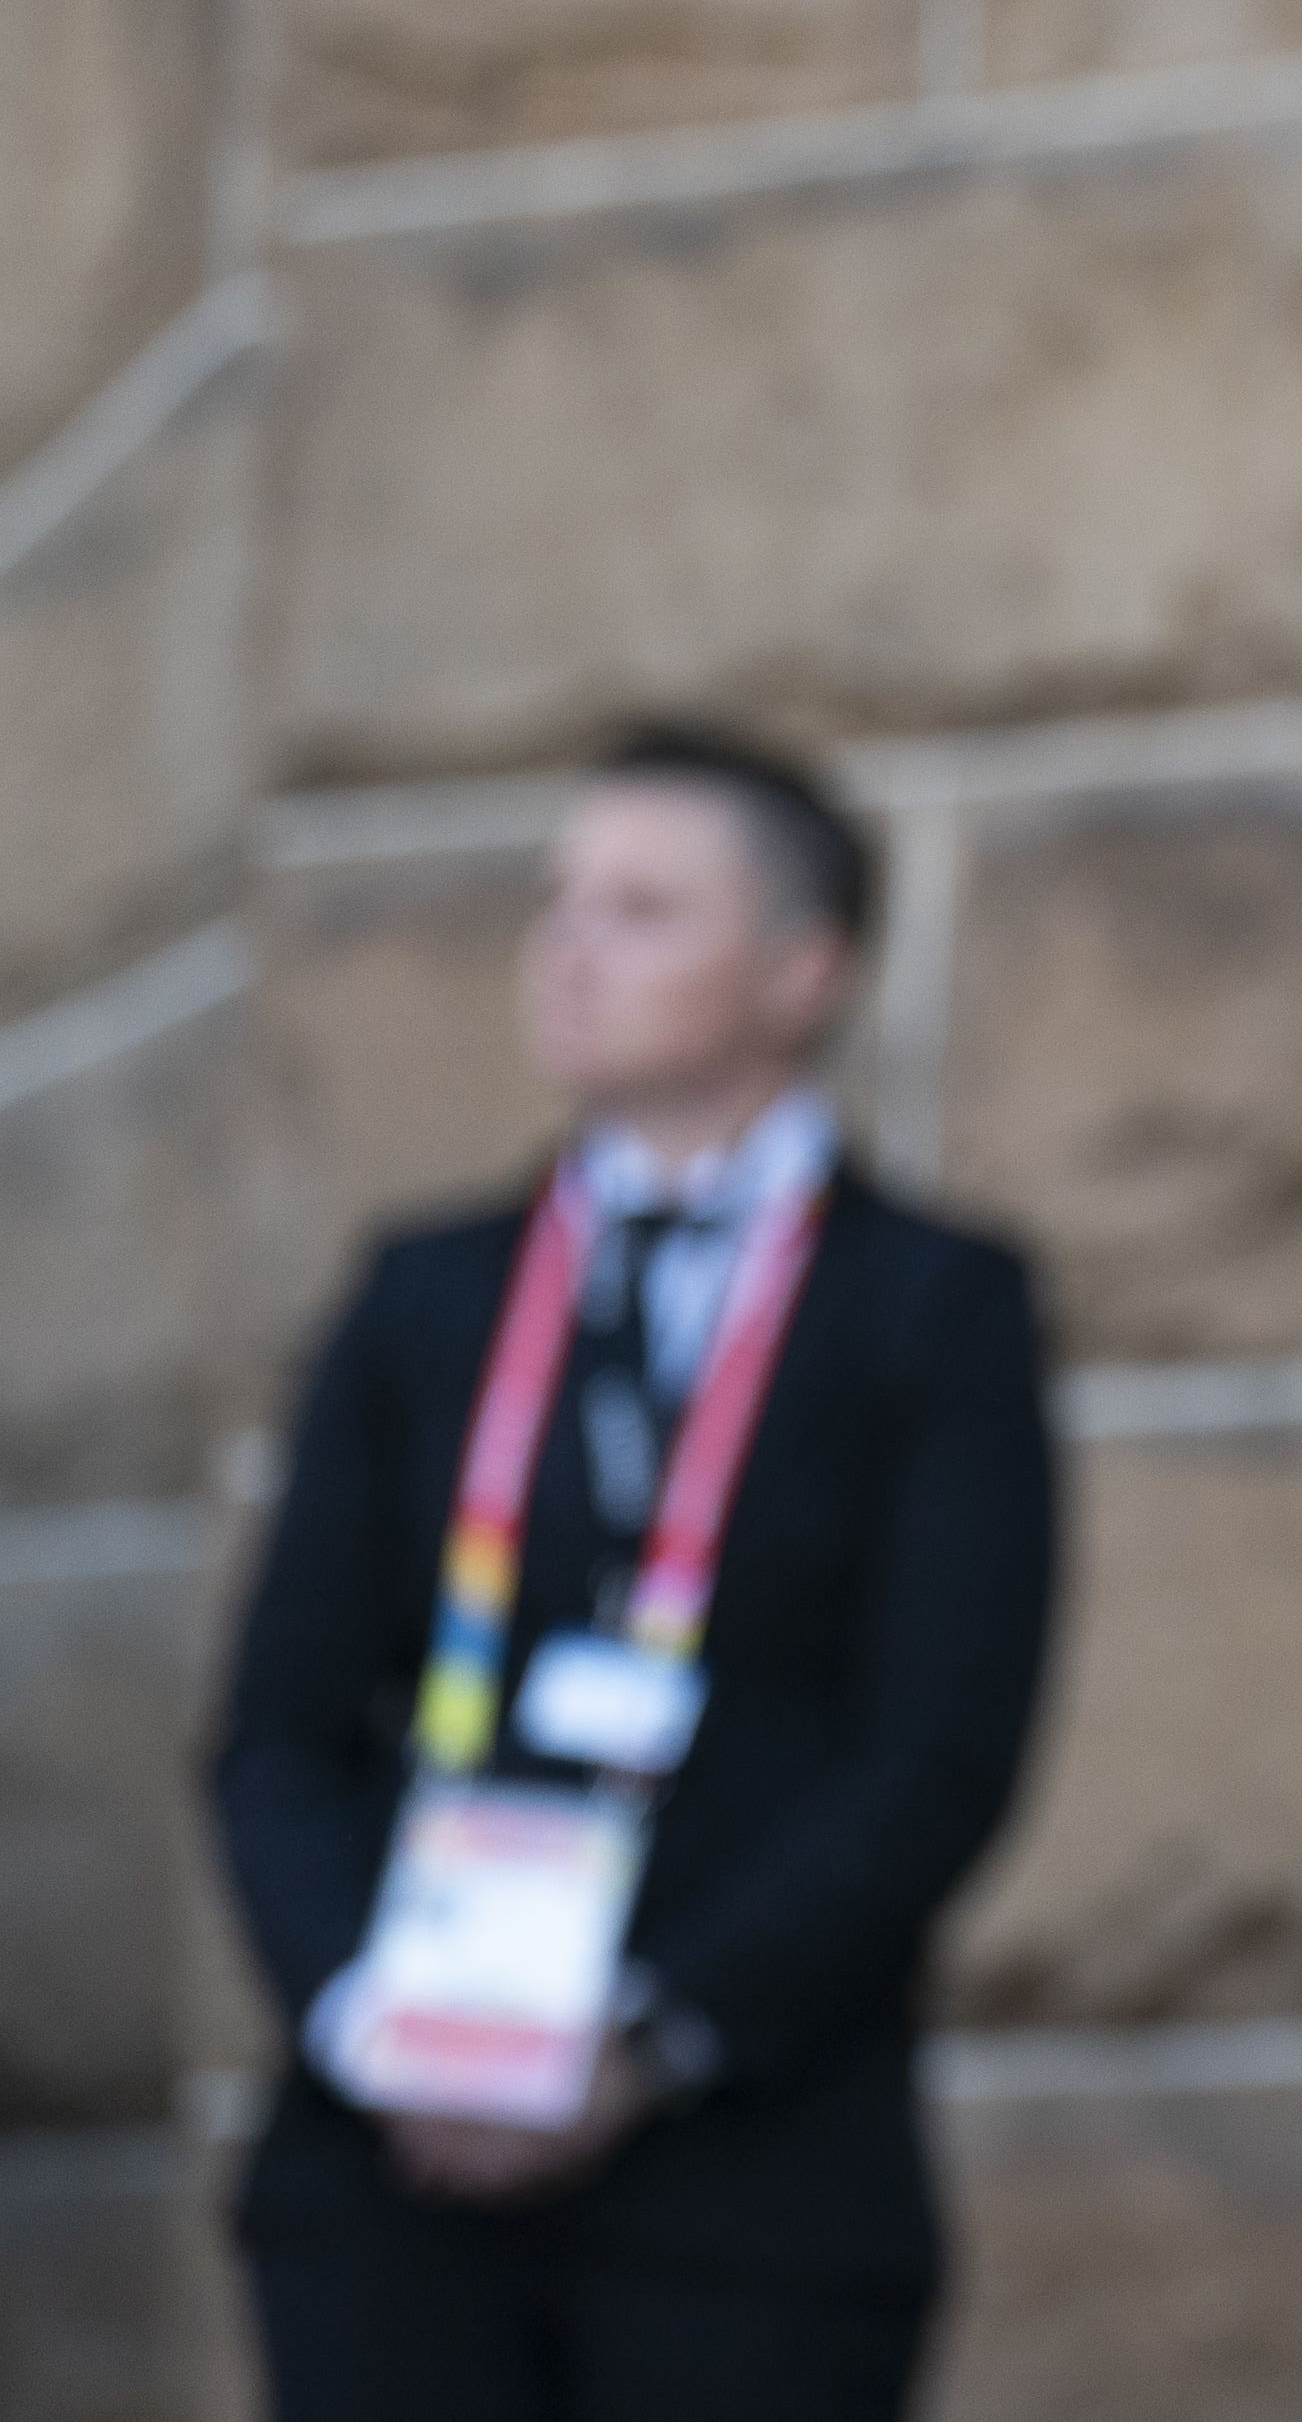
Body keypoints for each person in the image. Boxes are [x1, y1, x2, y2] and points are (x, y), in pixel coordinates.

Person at [211, 724, 1060, 2422]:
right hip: (391, 2194)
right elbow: (275, 1730)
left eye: (642, 908)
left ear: (799, 969)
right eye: (557, 902)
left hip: (750, 2198)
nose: (568, 950)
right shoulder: (423, 1296)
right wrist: (379, 2023)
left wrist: (647, 2039)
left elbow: (936, 1757)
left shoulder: (932, 1307)